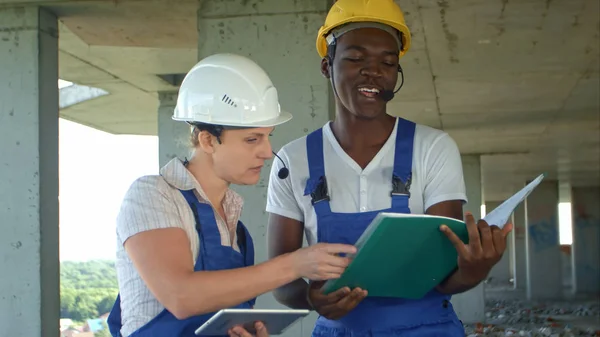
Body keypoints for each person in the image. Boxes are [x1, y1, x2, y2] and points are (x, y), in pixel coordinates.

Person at [265, 0, 513, 336]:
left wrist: (477, 268)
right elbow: (281, 278)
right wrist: (312, 298)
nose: (374, 71)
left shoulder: (432, 149)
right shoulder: (292, 161)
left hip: (427, 329)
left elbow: (445, 278)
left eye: (388, 61)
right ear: (327, 66)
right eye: (356, 58)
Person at [106, 53, 358, 337]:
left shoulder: (237, 231)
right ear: (208, 140)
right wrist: (296, 264)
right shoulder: (151, 196)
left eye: (268, 136)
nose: (266, 151)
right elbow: (181, 296)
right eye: (252, 139)